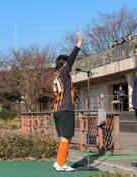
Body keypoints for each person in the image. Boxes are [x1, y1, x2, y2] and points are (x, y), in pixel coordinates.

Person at [51, 32, 82, 172]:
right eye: (67, 64)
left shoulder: (56, 76)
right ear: (63, 65)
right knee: (66, 137)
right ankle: (61, 163)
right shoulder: (64, 73)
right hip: (65, 110)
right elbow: (71, 59)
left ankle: (59, 161)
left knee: (64, 138)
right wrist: (79, 44)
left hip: (57, 110)